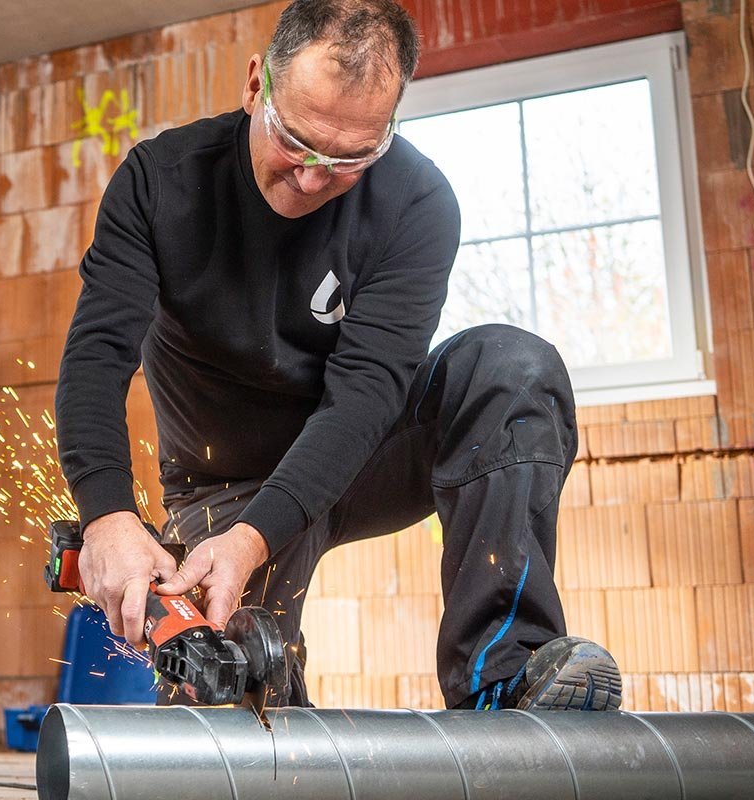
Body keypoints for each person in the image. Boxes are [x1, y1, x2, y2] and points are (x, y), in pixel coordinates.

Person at [56, 0, 622, 712]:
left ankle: (505, 681)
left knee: (511, 370)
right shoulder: (159, 183)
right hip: (221, 486)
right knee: (239, 699)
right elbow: (95, 359)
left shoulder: (417, 203)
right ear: (257, 84)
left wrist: (263, 537)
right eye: (295, 140)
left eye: (350, 157)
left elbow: (367, 393)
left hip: (364, 455)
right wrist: (108, 516)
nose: (314, 179)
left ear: (387, 129)